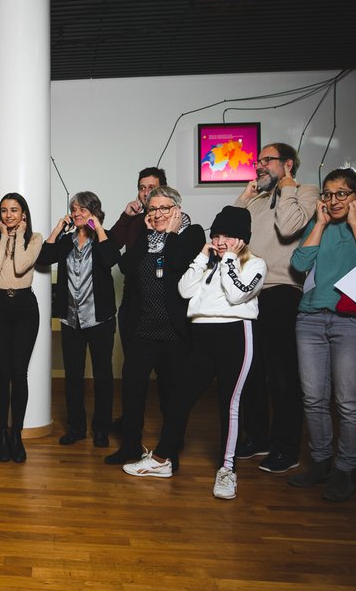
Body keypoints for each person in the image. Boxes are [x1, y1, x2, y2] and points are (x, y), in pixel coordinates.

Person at [123, 206, 265, 500]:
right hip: (202, 338)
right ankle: (162, 459)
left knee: (230, 404)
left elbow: (238, 293)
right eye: (217, 235)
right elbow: (185, 290)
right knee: (179, 399)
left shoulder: (255, 264)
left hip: (235, 335)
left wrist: (227, 259)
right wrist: (203, 257)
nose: (221, 240)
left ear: (242, 239)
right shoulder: (209, 263)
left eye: (228, 235)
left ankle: (227, 469)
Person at [289, 167, 356, 501]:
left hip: (353, 321)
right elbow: (300, 262)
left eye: (341, 194)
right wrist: (317, 223)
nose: (333, 201)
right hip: (310, 318)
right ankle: (320, 462)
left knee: (348, 400)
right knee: (313, 397)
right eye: (328, 194)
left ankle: (346, 469)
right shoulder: (319, 224)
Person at [233, 143, 319, 474]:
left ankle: (286, 448)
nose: (259, 166)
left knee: (282, 376)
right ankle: (258, 438)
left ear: (288, 164)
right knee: (251, 372)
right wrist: (244, 197)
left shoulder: (305, 191)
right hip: (247, 293)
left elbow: (289, 227)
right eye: (258, 161)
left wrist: (287, 188)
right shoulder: (253, 198)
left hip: (282, 289)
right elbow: (230, 231)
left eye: (267, 160)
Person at [104, 186, 204, 466]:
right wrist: (149, 233)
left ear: (177, 210)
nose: (158, 214)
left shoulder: (192, 234)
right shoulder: (145, 236)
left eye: (164, 208)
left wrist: (169, 234)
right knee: (133, 391)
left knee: (172, 395)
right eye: (153, 209)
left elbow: (176, 261)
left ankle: (169, 447)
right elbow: (126, 266)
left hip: (175, 332)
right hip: (142, 330)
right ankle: (131, 447)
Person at [37, 191, 120, 448]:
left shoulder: (105, 240)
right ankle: (76, 428)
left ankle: (101, 430)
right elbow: (42, 259)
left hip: (99, 320)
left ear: (94, 211)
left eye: (82, 209)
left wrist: (100, 228)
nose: (77, 213)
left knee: (102, 377)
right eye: (74, 209)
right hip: (71, 320)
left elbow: (111, 259)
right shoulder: (66, 241)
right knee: (73, 377)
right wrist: (58, 228)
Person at [0, 193, 43, 463]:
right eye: (4, 211)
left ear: (23, 215)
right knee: (1, 372)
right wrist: (4, 237)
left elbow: (20, 266)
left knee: (19, 373)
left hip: (24, 308)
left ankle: (17, 435)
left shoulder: (35, 238)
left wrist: (18, 236)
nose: (8, 215)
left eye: (14, 210)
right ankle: (3, 435)